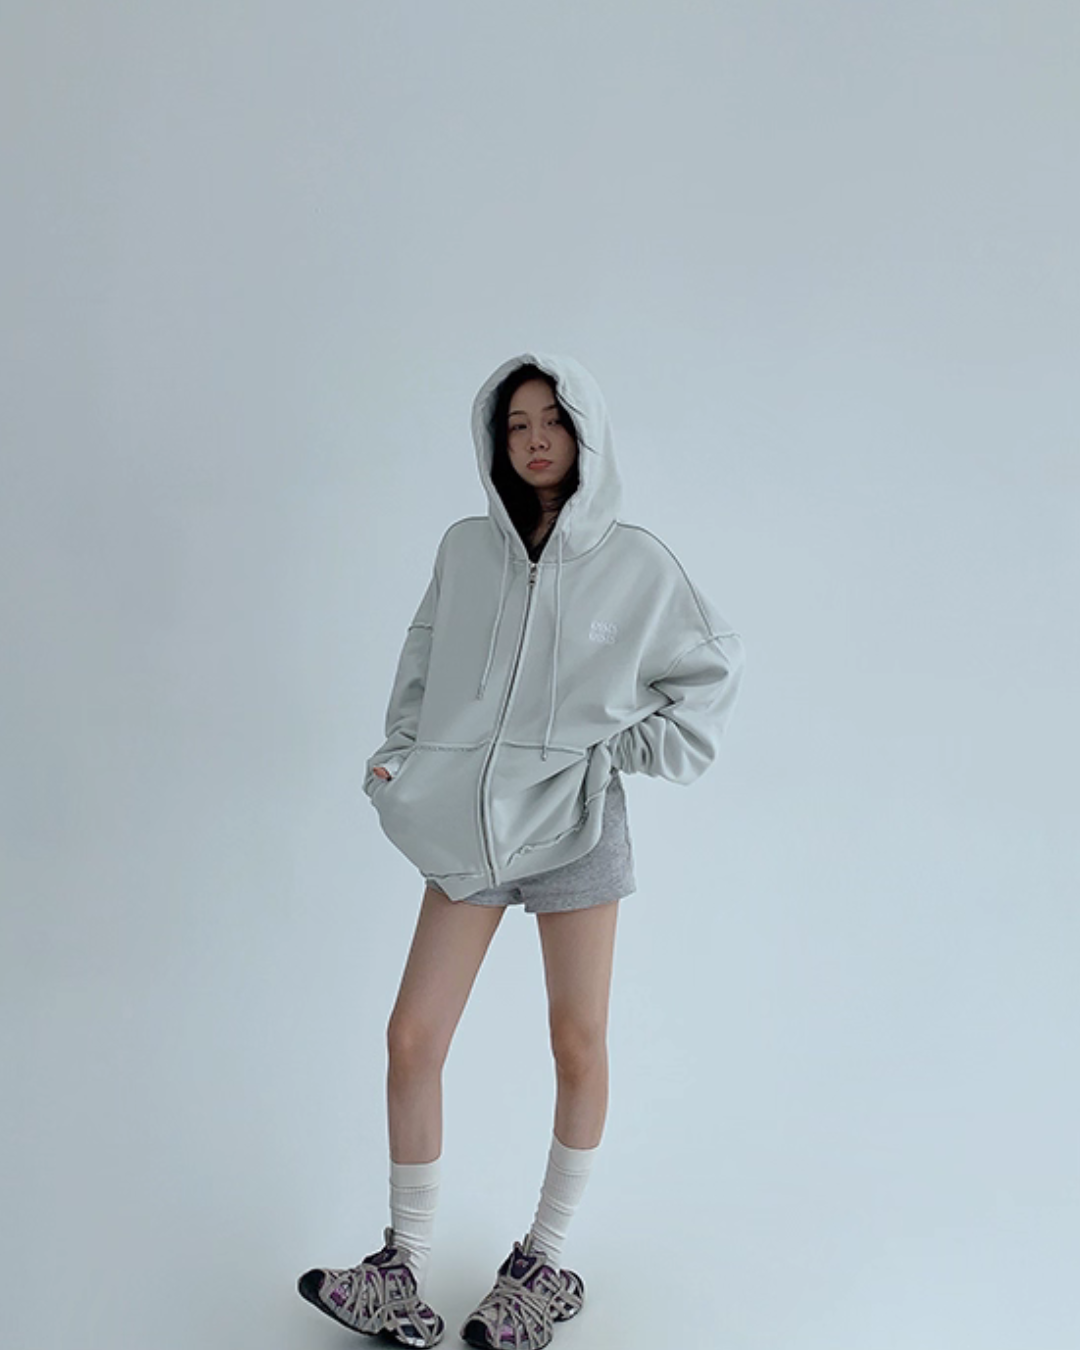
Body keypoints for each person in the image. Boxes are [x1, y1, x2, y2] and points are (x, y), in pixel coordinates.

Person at [297, 352, 746, 1349]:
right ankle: (400, 1269)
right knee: (412, 1038)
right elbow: (421, 667)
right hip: (469, 824)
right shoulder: (465, 550)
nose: (536, 439)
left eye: (553, 420)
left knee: (577, 1042)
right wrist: (401, 760)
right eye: (516, 425)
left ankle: (542, 1262)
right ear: (496, 441)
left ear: (585, 432)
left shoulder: (637, 563)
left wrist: (611, 747)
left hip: (576, 824)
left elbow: (710, 674)